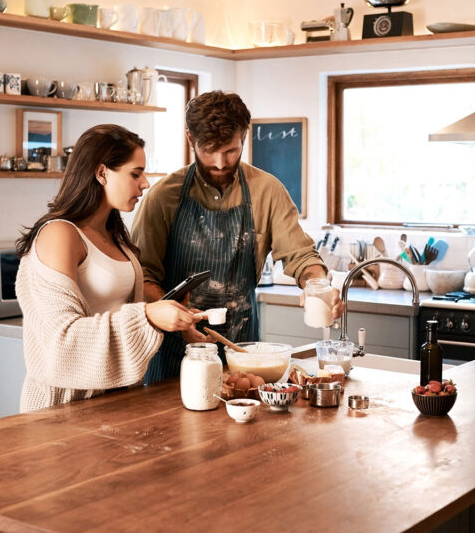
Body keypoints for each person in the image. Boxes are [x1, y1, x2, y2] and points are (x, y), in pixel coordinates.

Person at [131, 90, 344, 383]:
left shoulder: (267, 191)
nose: (220, 163)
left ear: (244, 136)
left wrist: (316, 286)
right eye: (209, 151)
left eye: (231, 151)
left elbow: (301, 256)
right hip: (172, 352)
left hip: (242, 353)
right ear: (190, 139)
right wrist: (180, 320)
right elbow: (142, 277)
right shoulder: (162, 197)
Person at [14, 124, 203, 411]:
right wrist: (149, 316)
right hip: (62, 408)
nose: (146, 183)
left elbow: (113, 304)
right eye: (135, 173)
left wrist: (173, 314)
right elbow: (60, 344)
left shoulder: (115, 236)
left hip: (117, 400)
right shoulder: (60, 235)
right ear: (102, 173)